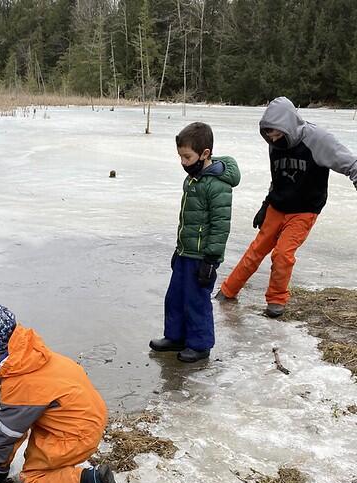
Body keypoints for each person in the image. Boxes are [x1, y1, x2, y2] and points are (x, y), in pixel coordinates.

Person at [0, 304, 126, 483]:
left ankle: (90, 482)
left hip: (75, 435)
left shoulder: (19, 388)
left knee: (32, 482)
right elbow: (29, 379)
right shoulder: (32, 351)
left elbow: (8, 436)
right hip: (87, 416)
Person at [217, 96, 357, 317]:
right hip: (277, 206)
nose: (272, 137)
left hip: (304, 210)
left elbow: (352, 164)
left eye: (276, 132)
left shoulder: (318, 139)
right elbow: (279, 177)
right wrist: (266, 204)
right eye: (268, 132)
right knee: (256, 251)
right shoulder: (274, 144)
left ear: (288, 124)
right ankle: (227, 291)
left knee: (282, 254)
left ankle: (276, 300)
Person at [150, 122, 240, 362]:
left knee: (196, 300)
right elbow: (187, 220)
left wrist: (211, 259)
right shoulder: (192, 180)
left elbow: (221, 225)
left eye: (187, 157)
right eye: (180, 156)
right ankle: (176, 337)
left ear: (205, 154)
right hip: (185, 251)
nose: (183, 162)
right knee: (175, 296)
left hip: (202, 256)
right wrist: (178, 249)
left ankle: (200, 344)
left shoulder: (218, 185)